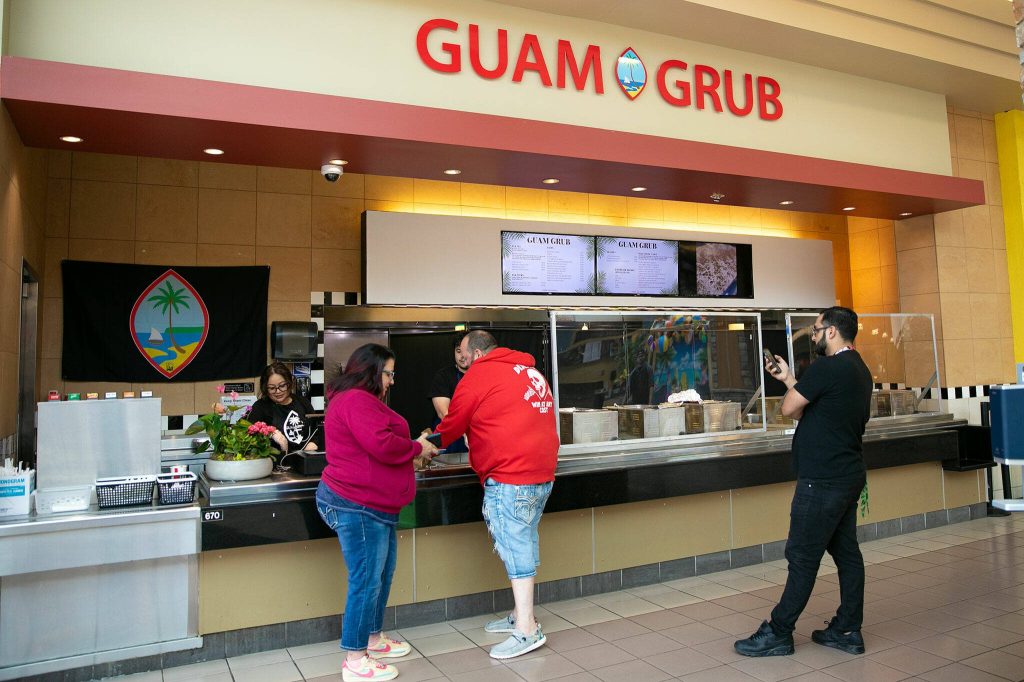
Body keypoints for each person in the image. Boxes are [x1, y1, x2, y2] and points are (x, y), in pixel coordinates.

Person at [734, 306, 873, 658]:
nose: (812, 335)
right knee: (847, 553)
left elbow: (789, 409)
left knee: (802, 556)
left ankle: (779, 632)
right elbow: (816, 407)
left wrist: (793, 392)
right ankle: (847, 629)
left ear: (831, 331)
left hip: (822, 480)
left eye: (815, 329)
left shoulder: (826, 367)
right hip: (847, 474)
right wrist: (789, 379)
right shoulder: (859, 368)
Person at [316, 344, 438, 682]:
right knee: (366, 579)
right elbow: (381, 444)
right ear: (371, 371)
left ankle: (372, 638)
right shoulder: (355, 400)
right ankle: (355, 659)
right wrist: (417, 446)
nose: (392, 380)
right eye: (389, 373)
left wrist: (413, 447)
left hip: (374, 505)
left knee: (380, 576)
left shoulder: (360, 400)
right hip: (356, 504)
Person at [435, 330, 558, 660]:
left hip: (510, 474)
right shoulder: (530, 371)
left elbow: (453, 422)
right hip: (542, 472)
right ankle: (521, 615)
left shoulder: (479, 375)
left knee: (515, 545)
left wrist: (428, 444)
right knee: (525, 540)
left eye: (464, 355)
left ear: (477, 355)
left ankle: (527, 630)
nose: (462, 362)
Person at [247, 363, 320, 453]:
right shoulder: (260, 407)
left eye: (282, 386)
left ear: (289, 383)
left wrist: (313, 443)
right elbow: (248, 431)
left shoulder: (303, 402)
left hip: (304, 458)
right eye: (272, 388)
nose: (278, 391)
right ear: (265, 388)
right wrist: (271, 434)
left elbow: (316, 429)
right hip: (275, 459)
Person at [427, 336, 469, 453]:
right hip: (450, 439)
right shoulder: (443, 376)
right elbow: (443, 413)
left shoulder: (481, 375)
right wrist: (465, 433)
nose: (462, 356)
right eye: (458, 351)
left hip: (475, 438)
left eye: (466, 351)